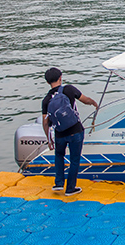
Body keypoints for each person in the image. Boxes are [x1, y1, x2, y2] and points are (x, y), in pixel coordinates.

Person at [41, 67, 98, 196]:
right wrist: (94, 103)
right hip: (75, 131)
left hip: (59, 133)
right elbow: (85, 99)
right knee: (74, 159)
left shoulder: (46, 99)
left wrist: (49, 140)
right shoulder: (69, 89)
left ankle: (59, 183)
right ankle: (70, 188)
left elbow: (45, 122)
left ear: (47, 82)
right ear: (60, 77)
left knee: (59, 156)